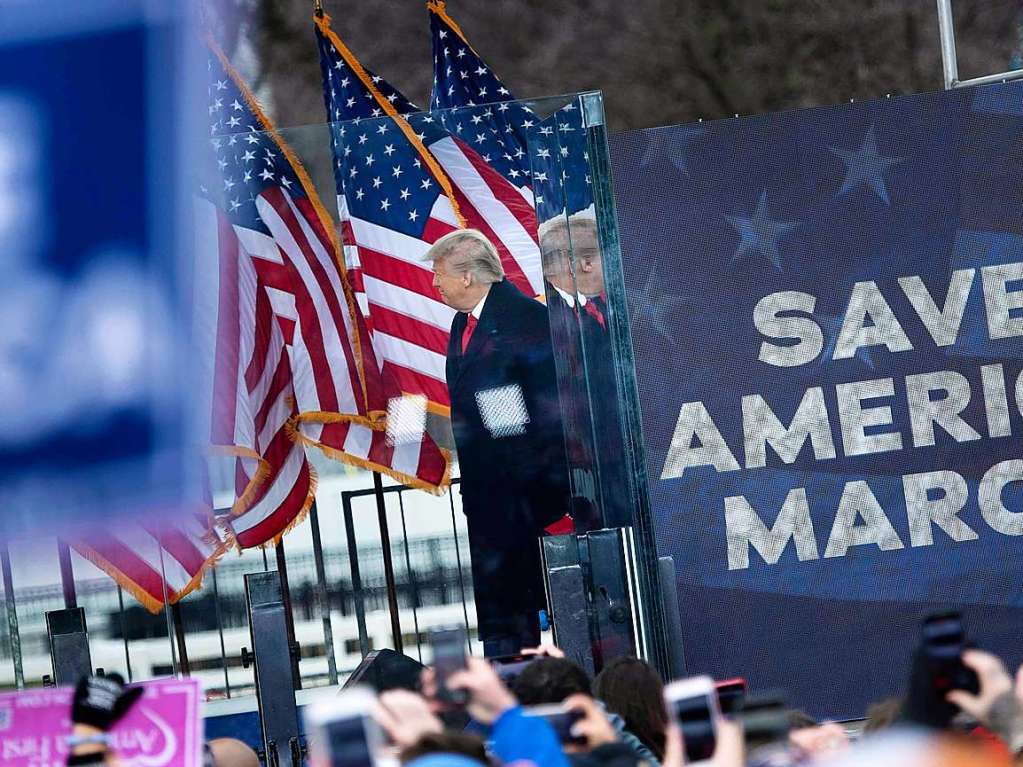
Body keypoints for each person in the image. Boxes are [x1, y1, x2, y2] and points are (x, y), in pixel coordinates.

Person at [424, 229, 570, 656]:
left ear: (468, 276)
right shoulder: (461, 323)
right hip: (491, 495)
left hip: (530, 498)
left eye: (440, 273)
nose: (435, 282)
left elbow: (545, 409)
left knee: (541, 605)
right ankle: (508, 674)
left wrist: (537, 491)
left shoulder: (525, 318)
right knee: (503, 614)